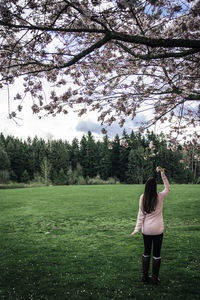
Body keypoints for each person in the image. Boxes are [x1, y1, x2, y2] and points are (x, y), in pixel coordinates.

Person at [131, 166, 170, 284]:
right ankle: (154, 278)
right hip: (158, 230)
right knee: (156, 253)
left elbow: (140, 215)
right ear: (155, 187)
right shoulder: (160, 196)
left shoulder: (142, 197)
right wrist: (163, 174)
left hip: (146, 230)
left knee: (146, 251)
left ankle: (144, 276)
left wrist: (136, 229)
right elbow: (168, 188)